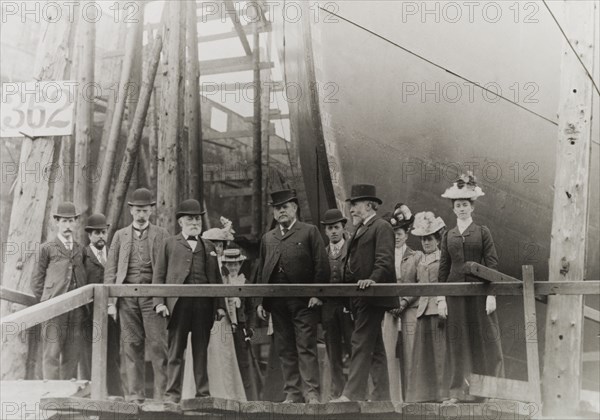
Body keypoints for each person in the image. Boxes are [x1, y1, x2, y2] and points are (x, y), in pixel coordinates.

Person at [255, 189, 330, 404]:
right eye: (277, 208)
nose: (281, 212)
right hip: (276, 302)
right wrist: (261, 300)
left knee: (306, 346)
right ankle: (292, 393)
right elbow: (262, 271)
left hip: (304, 301)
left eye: (285, 207)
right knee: (285, 348)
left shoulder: (309, 231)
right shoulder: (268, 238)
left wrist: (316, 294)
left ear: (295, 208)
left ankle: (311, 393)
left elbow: (321, 265)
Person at [437, 173, 504, 404]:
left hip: (479, 294)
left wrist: (491, 295)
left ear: (472, 207)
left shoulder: (483, 232)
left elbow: (492, 264)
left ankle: (484, 393)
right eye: (458, 205)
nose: (462, 208)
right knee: (456, 341)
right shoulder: (447, 235)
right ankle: (456, 392)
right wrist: (441, 299)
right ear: (453, 209)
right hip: (454, 295)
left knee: (481, 340)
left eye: (466, 204)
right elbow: (443, 270)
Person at [152, 199, 228, 403]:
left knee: (201, 351)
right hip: (178, 305)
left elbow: (217, 278)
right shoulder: (169, 244)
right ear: (180, 222)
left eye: (197, 219)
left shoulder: (208, 245)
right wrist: (159, 302)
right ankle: (172, 395)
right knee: (175, 351)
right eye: (190, 219)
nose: (194, 223)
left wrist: (220, 306)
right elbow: (158, 276)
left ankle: (203, 394)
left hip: (203, 306)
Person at [331, 184, 398, 403]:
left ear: (369, 205)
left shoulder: (382, 227)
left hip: (373, 295)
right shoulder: (360, 229)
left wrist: (373, 280)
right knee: (375, 348)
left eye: (355, 205)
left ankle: (352, 394)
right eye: (350, 206)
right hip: (360, 296)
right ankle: (381, 398)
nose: (351, 210)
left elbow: (385, 260)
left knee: (359, 340)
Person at [104, 188, 170, 403]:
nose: (141, 214)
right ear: (131, 210)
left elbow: (169, 269)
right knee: (131, 345)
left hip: (153, 297)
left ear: (151, 210)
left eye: (145, 210)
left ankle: (163, 397)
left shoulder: (162, 234)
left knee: (159, 346)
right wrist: (112, 302)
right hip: (127, 298)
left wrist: (164, 299)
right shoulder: (120, 235)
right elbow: (111, 270)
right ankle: (135, 396)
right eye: (137, 210)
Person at [31, 202, 87, 380]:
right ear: (57, 222)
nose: (68, 226)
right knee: (51, 353)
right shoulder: (47, 248)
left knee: (72, 354)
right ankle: (51, 396)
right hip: (54, 310)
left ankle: (67, 395)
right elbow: (36, 282)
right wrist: (48, 302)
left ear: (76, 223)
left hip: (76, 310)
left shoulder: (80, 250)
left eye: (71, 221)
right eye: (64, 221)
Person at [407, 211, 449, 402]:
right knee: (423, 354)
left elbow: (446, 282)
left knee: (440, 352)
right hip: (422, 310)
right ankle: (423, 394)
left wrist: (443, 302)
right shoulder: (419, 259)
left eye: (429, 239)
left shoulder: (442, 259)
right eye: (423, 239)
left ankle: (442, 394)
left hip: (437, 309)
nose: (426, 242)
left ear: (438, 240)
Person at [81, 213, 123, 397]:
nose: (101, 236)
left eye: (103, 232)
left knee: (113, 357)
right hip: (89, 316)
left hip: (112, 314)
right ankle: (91, 398)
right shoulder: (83, 255)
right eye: (97, 233)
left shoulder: (114, 255)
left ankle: (116, 398)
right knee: (89, 358)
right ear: (90, 235)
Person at [381, 203, 420, 402]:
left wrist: (403, 302)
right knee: (388, 354)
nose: (397, 236)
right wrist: (391, 303)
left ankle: (412, 400)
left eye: (400, 232)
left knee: (411, 353)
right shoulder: (383, 257)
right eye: (393, 233)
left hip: (409, 309)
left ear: (407, 233)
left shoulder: (415, 256)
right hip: (389, 310)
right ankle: (393, 401)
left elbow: (418, 284)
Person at [320, 208, 353, 401]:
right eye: (330, 228)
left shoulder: (351, 250)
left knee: (352, 347)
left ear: (342, 228)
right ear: (325, 231)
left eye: (336, 227)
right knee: (333, 351)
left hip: (348, 307)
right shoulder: (323, 253)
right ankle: (337, 391)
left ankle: (357, 392)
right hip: (329, 309)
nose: (333, 231)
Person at [221, 248, 261, 401]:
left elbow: (251, 309)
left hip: (241, 327)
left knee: (244, 362)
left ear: (240, 264)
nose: (233, 268)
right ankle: (230, 397)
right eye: (230, 265)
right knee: (227, 360)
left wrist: (250, 327)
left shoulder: (245, 283)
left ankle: (248, 398)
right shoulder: (223, 282)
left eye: (236, 264)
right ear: (225, 265)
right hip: (225, 327)